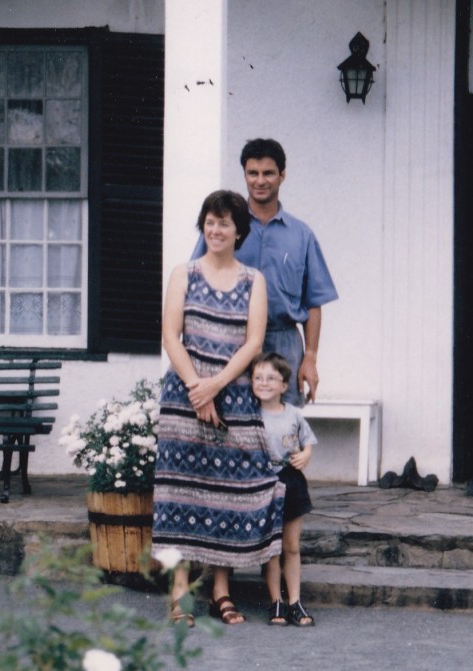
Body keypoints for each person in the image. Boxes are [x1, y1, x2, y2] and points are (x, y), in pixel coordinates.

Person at [153, 189, 285, 627]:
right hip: (185, 396)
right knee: (182, 491)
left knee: (229, 491)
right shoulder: (183, 273)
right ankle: (179, 594)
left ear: (239, 231)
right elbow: (171, 336)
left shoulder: (253, 280)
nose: (215, 229)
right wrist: (197, 388)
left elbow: (253, 342)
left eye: (225, 222)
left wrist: (216, 386)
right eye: (210, 221)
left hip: (232, 394)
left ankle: (221, 592)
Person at [192, 138, 338, 406]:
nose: (260, 181)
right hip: (229, 340)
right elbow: (196, 285)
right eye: (252, 173)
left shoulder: (301, 235)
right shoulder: (223, 228)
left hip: (283, 344)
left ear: (282, 175)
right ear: (244, 175)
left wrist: (311, 358)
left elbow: (314, 302)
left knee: (282, 430)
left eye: (268, 173)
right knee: (231, 428)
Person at [251, 351, 317, 627]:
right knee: (271, 547)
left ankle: (295, 601)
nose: (263, 383)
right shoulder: (251, 415)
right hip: (263, 482)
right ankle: (275, 600)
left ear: (283, 385)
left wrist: (306, 454)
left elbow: (307, 441)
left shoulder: (293, 414)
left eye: (270, 378)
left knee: (291, 545)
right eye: (257, 378)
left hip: (290, 482)